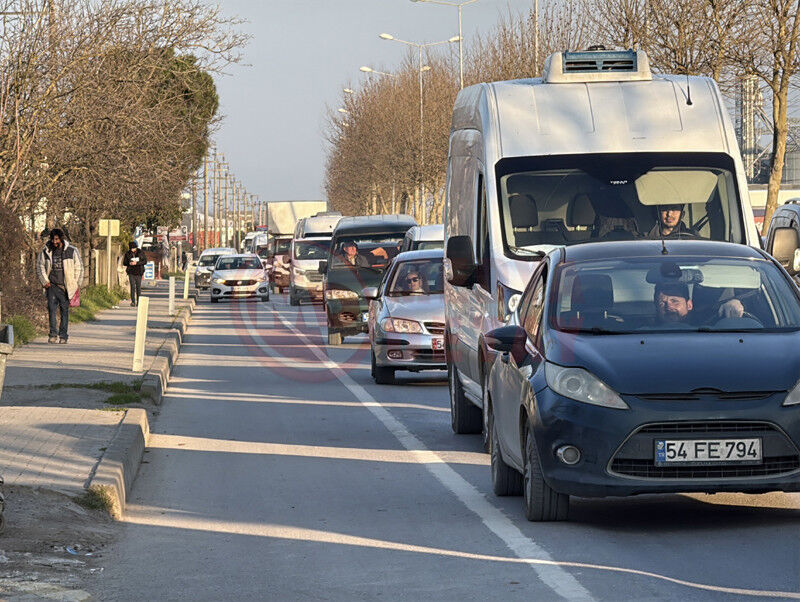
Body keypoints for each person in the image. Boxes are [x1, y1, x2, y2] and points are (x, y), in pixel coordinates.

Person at [36, 228, 83, 344]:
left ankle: (63, 336)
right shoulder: (46, 251)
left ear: (61, 239)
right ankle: (52, 334)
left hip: (66, 287)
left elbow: (79, 267)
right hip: (51, 286)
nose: (54, 242)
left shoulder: (72, 251)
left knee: (64, 311)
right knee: (52, 311)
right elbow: (40, 266)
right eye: (53, 239)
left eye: (56, 239)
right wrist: (44, 281)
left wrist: (76, 283)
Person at [654, 282, 744, 324]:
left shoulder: (711, 324)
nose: (668, 307)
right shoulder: (646, 331)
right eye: (662, 303)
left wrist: (736, 304)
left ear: (689, 305)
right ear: (656, 308)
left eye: (674, 301)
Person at [123, 241, 146, 306]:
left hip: (139, 272)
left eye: (133, 248)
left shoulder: (140, 252)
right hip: (131, 272)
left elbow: (145, 261)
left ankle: (139, 301)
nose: (132, 250)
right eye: (131, 248)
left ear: (136, 247)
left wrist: (137, 263)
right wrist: (129, 263)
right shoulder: (127, 253)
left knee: (138, 287)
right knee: (132, 287)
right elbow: (124, 263)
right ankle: (133, 301)